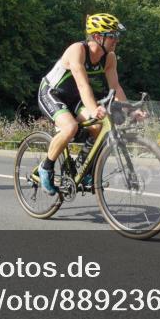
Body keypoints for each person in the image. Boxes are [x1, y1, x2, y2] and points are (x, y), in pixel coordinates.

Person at [35, 13, 143, 194]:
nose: (117, 40)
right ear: (98, 36)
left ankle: (82, 169)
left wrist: (131, 110)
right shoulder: (77, 50)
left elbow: (115, 87)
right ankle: (46, 167)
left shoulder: (109, 57)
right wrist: (93, 109)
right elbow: (83, 85)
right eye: (113, 36)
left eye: (117, 35)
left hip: (74, 98)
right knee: (70, 128)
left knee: (99, 127)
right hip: (51, 93)